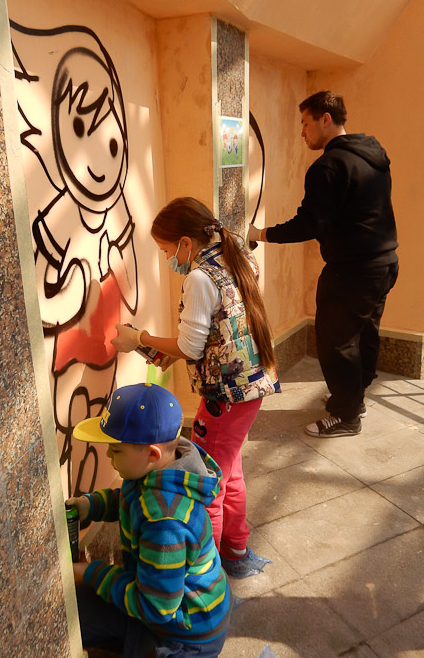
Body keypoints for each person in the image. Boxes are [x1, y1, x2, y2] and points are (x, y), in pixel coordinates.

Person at [111, 198, 281, 578]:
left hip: (226, 397)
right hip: (251, 386)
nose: (167, 259)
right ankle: (236, 551)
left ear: (185, 243)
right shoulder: (236, 252)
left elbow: (191, 345)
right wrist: (168, 353)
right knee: (229, 473)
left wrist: (138, 337)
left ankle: (208, 577)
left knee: (208, 484)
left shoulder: (200, 278)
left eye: (166, 250)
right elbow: (222, 330)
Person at [248, 90, 398, 439]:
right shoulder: (373, 153)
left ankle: (345, 417)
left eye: (305, 123)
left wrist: (261, 233)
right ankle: (354, 400)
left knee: (335, 341)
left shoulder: (328, 166)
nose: (302, 132)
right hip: (385, 263)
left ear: (325, 119)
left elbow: (310, 223)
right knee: (364, 334)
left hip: (352, 271)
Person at [68, 382, 231, 657]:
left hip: (187, 635)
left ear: (152, 454)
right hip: (169, 603)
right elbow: (129, 498)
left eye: (116, 450)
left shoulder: (165, 524)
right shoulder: (160, 470)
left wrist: (89, 573)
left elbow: (156, 607)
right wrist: (90, 506)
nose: (108, 455)